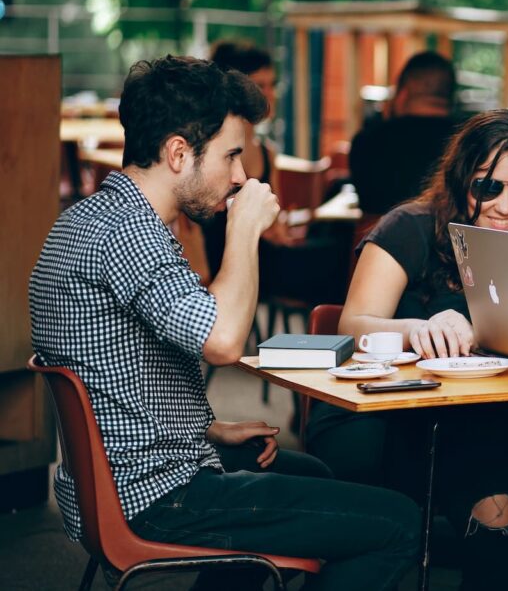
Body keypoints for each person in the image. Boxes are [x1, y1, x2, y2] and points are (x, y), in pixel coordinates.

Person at [29, 55, 419, 591]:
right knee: (396, 522)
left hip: (116, 480)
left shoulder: (89, 219)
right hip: (156, 494)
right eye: (232, 155)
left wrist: (204, 428)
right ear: (178, 153)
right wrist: (244, 231)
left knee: (315, 475)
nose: (241, 175)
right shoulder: (130, 234)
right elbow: (224, 342)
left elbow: (112, 370)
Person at [305, 109, 508, 589]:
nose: (506, 204)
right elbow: (352, 325)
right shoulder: (408, 226)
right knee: (383, 526)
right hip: (383, 413)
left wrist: (486, 325)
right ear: (459, 182)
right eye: (487, 186)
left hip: (481, 416)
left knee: (501, 531)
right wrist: (418, 328)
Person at [202, 39, 283, 278]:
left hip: (261, 260)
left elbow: (275, 223)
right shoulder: (208, 152)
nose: (270, 94)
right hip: (219, 262)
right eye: (260, 85)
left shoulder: (268, 154)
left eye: (272, 85)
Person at [349, 50, 461, 216]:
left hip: (378, 239)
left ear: (402, 94)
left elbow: (366, 204)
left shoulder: (367, 140)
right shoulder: (468, 142)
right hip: (445, 240)